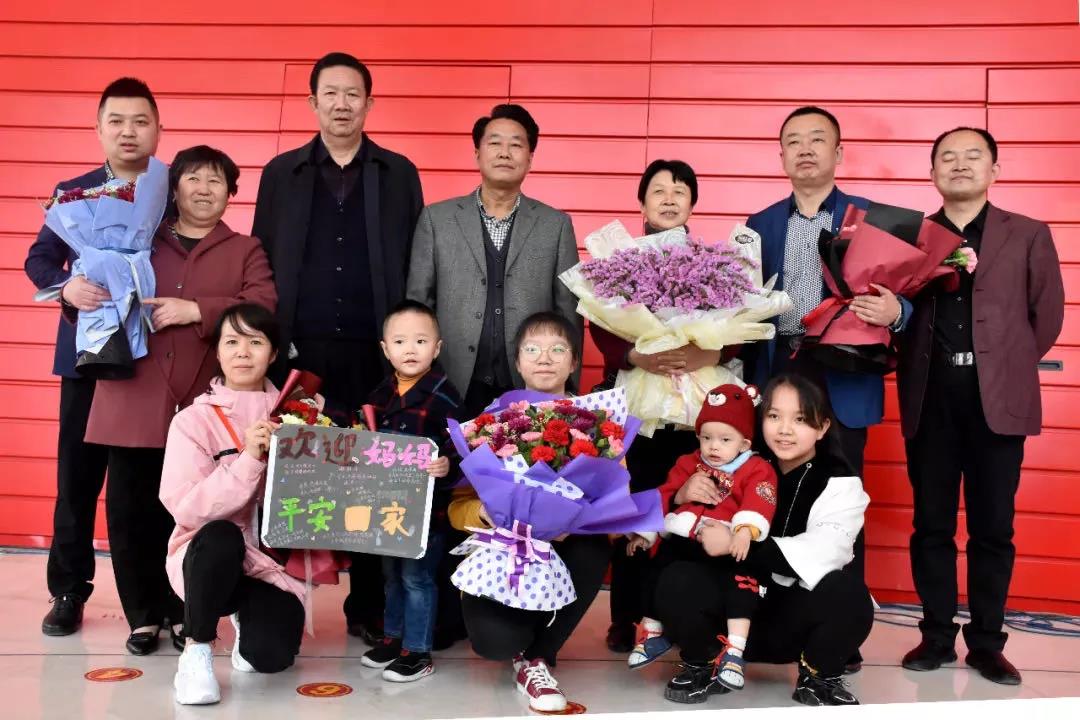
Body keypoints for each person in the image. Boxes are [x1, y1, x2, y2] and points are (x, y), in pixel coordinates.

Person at [253, 51, 424, 643]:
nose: (342, 104)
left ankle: (368, 608)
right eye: (331, 93)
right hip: (302, 353)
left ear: (369, 103)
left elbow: (414, 261)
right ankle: (278, 602)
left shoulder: (397, 172)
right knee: (293, 473)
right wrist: (273, 343)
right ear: (313, 102)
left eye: (353, 94)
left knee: (372, 475)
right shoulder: (282, 174)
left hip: (377, 353)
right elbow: (263, 257)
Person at [83, 145, 277, 655]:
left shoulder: (245, 249)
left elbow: (263, 305)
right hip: (134, 393)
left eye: (216, 181)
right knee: (130, 510)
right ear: (174, 189)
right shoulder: (139, 239)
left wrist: (196, 309)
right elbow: (97, 294)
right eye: (193, 178)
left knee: (195, 511)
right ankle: (142, 615)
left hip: (203, 404)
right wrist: (77, 291)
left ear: (231, 193)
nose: (204, 189)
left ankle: (184, 611)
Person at [896, 127, 1064, 686]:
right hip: (930, 397)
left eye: (973, 156)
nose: (960, 165)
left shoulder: (1029, 233)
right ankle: (936, 636)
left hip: (997, 399)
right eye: (948, 157)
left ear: (995, 169)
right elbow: (895, 313)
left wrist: (1000, 365)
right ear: (932, 172)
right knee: (931, 525)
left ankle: (988, 644)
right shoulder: (910, 237)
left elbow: (1046, 317)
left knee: (994, 528)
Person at [743, 108, 912, 663]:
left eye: (818, 140)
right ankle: (770, 620)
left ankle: (842, 633)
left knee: (841, 508)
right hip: (779, 371)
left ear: (838, 153)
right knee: (771, 498)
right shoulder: (759, 224)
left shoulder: (871, 220)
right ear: (782, 156)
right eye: (793, 141)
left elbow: (908, 293)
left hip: (842, 376)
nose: (805, 149)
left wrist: (897, 311)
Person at [25, 77, 160, 637]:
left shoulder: (169, 192)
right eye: (117, 121)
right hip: (85, 358)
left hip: (149, 361)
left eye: (140, 121)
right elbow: (38, 260)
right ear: (99, 129)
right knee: (77, 481)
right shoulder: (74, 193)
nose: (129, 132)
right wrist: (66, 287)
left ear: (157, 129)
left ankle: (153, 599)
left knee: (142, 487)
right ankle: (68, 590)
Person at [656, 374, 873, 707]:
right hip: (729, 613)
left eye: (800, 419)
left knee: (850, 595)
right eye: (774, 416)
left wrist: (735, 543)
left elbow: (827, 551)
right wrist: (680, 496)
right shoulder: (727, 463)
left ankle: (819, 676)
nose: (784, 430)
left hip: (791, 620)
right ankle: (703, 661)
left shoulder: (840, 482)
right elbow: (682, 530)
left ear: (822, 427)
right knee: (676, 577)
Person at [598, 160, 735, 654]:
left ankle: (677, 614)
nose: (669, 198)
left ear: (693, 203)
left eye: (680, 191)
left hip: (695, 409)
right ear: (642, 203)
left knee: (692, 511)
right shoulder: (619, 261)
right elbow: (601, 325)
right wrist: (637, 356)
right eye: (658, 191)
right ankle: (625, 617)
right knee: (636, 509)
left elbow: (740, 325)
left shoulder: (714, 262)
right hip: (641, 403)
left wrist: (708, 354)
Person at [448, 312, 609, 713]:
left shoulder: (599, 423)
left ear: (574, 362)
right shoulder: (493, 420)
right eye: (532, 349)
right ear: (517, 361)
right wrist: (483, 513)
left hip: (566, 547)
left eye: (558, 349)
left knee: (594, 549)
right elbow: (457, 507)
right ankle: (517, 642)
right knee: (495, 643)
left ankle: (538, 658)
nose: (545, 358)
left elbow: (614, 498)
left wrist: (575, 521)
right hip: (504, 546)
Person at [160, 304, 306, 705]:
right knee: (221, 536)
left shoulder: (302, 416)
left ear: (273, 354)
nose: (243, 352)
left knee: (271, 659)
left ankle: (249, 626)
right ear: (218, 352)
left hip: (268, 563)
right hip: (206, 558)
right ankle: (197, 650)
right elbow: (187, 507)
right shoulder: (192, 421)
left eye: (256, 342)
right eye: (232, 342)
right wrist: (250, 458)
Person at [407, 104, 581, 419]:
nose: (504, 152)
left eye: (516, 144)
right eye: (495, 142)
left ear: (530, 158)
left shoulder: (555, 225)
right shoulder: (437, 219)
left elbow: (567, 310)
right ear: (477, 153)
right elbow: (419, 303)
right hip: (451, 380)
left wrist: (569, 389)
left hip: (531, 384)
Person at [626, 384, 778, 691]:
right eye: (706, 437)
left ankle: (733, 651)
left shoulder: (755, 468)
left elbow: (759, 502)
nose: (713, 447)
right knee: (654, 570)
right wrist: (646, 533)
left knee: (738, 587)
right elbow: (666, 493)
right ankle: (653, 632)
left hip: (722, 543)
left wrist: (745, 530)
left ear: (744, 442)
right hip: (684, 536)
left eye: (725, 440)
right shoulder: (688, 463)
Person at [348, 300, 462, 682]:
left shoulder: (445, 396)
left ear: (437, 347)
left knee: (417, 578)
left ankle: (418, 651)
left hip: (427, 512)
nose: (410, 349)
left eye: (420, 341)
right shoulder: (381, 393)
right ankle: (394, 639)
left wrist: (446, 466)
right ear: (385, 349)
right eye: (399, 341)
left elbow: (461, 450)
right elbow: (363, 439)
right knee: (392, 576)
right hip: (387, 508)